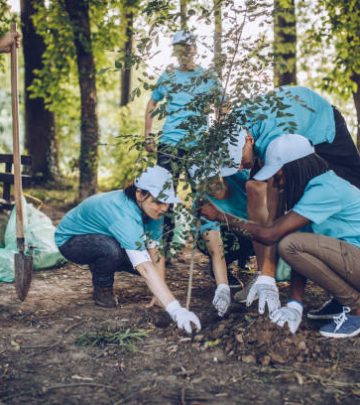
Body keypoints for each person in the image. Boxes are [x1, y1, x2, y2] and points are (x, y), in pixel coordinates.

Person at [201, 134, 360, 338]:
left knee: (289, 243)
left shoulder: (324, 189)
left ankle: (356, 309)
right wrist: (295, 304)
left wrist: (221, 217)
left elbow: (271, 234)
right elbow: (301, 258)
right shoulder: (312, 191)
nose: (277, 179)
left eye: (278, 173)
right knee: (294, 244)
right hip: (352, 259)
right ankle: (343, 301)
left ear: (296, 167)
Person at [55, 165, 201, 334]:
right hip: (71, 241)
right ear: (140, 194)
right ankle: (102, 287)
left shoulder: (154, 212)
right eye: (159, 201)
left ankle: (100, 262)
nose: (164, 208)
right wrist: (176, 310)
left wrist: (160, 296)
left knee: (141, 262)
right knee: (112, 251)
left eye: (167, 202)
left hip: (104, 235)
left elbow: (155, 251)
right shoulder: (124, 215)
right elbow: (145, 268)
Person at [144, 30, 224, 252]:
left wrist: (218, 137)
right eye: (180, 49)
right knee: (162, 193)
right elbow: (152, 104)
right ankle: (163, 248)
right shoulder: (168, 76)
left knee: (203, 196)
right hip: (169, 144)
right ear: (175, 52)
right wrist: (149, 135)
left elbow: (223, 106)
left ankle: (209, 248)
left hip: (198, 146)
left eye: (188, 48)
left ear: (195, 49)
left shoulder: (208, 77)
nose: (185, 53)